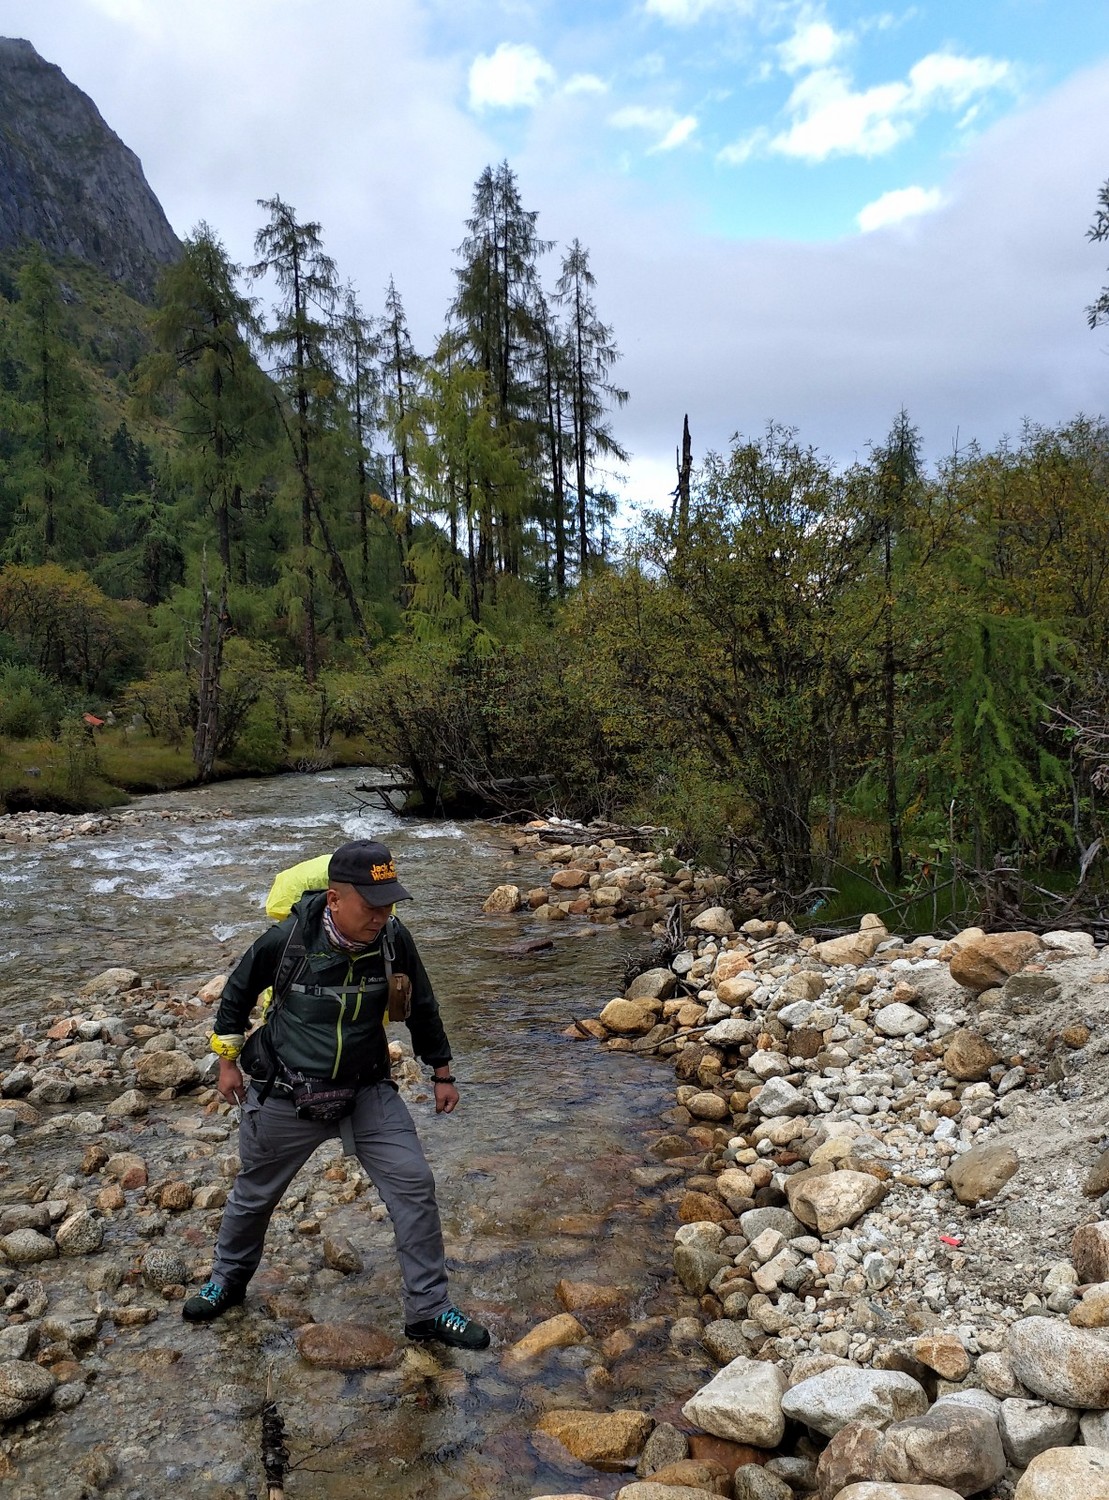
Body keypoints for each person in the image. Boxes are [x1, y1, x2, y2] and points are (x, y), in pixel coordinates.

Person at [182, 838, 490, 1351]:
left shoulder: (393, 939)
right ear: (334, 899)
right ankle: (227, 1282)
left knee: (414, 1184)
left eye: (389, 903)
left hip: (367, 1088)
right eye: (372, 905)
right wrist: (227, 1062)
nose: (382, 915)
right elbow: (236, 994)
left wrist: (442, 1071)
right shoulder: (286, 940)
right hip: (286, 1090)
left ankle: (429, 1310)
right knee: (254, 1195)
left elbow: (423, 1004)